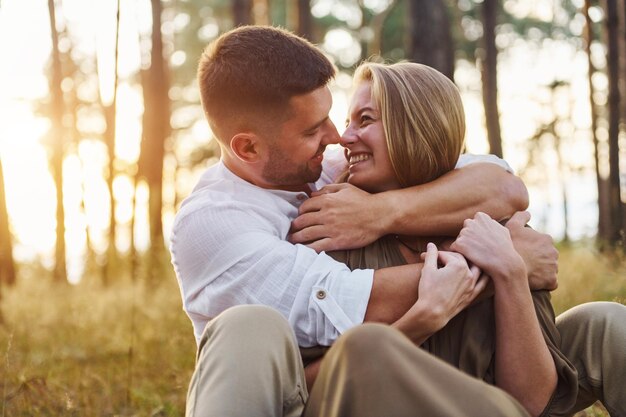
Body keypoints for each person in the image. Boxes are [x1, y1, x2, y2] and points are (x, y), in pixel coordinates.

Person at [171, 25, 625, 417]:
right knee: (259, 329)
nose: (337, 139)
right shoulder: (219, 223)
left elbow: (502, 184)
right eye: (314, 130)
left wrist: (381, 213)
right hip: (310, 400)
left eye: (343, 119)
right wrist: (497, 262)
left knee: (607, 323)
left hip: (476, 390)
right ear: (248, 148)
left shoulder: (335, 178)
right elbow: (351, 306)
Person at [300, 61, 626, 416]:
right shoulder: (328, 228)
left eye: (365, 120)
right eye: (350, 121)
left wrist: (511, 272)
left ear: (416, 128)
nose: (345, 137)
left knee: (610, 320)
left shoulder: (497, 231)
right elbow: (304, 388)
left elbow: (530, 403)